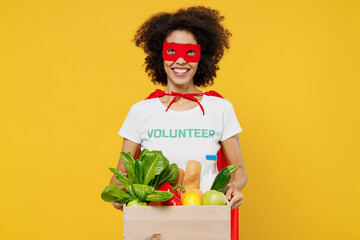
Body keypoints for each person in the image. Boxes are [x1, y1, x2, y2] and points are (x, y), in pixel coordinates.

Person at [110, 6, 247, 211]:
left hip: (206, 217)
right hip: (154, 223)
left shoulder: (220, 108)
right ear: (160, 56)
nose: (180, 60)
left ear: (202, 57)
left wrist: (234, 187)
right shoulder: (140, 111)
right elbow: (121, 175)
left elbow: (239, 169)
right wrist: (119, 193)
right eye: (172, 51)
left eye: (190, 52)